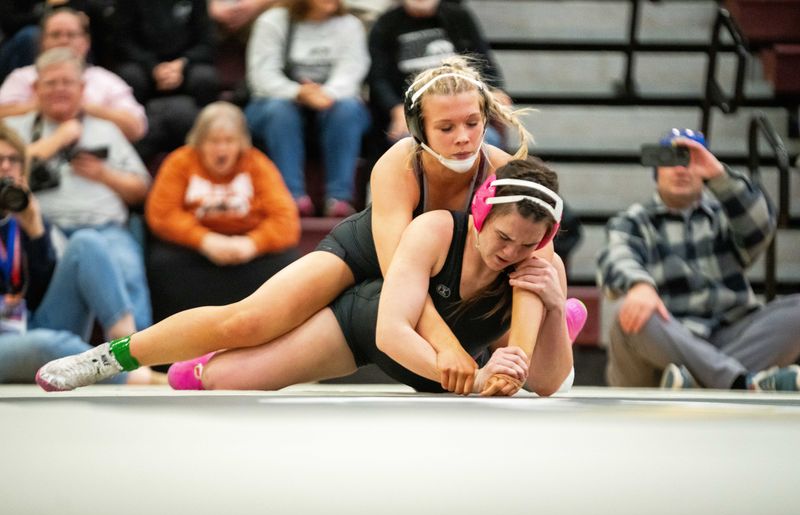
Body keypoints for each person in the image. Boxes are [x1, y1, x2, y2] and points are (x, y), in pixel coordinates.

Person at [34, 56, 575, 394]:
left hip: (440, 268)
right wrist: (449, 352)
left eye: (474, 123)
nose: (463, 138)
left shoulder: (502, 174)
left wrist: (526, 344)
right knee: (247, 321)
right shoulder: (398, 164)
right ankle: (107, 356)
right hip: (372, 253)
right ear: (418, 127)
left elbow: (534, 256)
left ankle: (549, 332)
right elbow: (394, 271)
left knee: (517, 272)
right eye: (447, 126)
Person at [38, 157, 576, 395]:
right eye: (502, 238)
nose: (511, 252)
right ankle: (110, 356)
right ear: (479, 214)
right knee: (247, 321)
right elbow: (394, 327)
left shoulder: (532, 247)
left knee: (224, 379)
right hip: (375, 277)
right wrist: (468, 373)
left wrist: (551, 308)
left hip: (421, 306)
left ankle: (198, 369)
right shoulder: (417, 192)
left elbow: (544, 382)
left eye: (528, 245)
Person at [597, 128, 800, 392]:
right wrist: (640, 285)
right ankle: (739, 382)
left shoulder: (725, 216)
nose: (681, 169)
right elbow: (616, 256)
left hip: (731, 334)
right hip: (665, 343)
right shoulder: (633, 220)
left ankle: (695, 381)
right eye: (671, 159)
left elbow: (762, 226)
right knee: (633, 316)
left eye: (691, 159)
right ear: (657, 170)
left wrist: (720, 175)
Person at [3, 47, 153, 330]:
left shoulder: (106, 129)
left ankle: (140, 359)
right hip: (42, 231)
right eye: (51, 83)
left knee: (127, 268)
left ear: (82, 88)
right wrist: (57, 140)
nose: (60, 89)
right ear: (35, 88)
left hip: (105, 227)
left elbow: (141, 189)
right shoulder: (15, 129)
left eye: (67, 82)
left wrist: (105, 175)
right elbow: (5, 170)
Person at [0, 121, 159, 385]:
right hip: (12, 342)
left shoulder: (27, 218)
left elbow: (41, 293)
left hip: (30, 325)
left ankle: (131, 351)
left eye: (13, 159)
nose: (6, 166)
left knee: (87, 242)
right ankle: (133, 377)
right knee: (47, 345)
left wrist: (37, 232)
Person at [145, 101, 301, 319]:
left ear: (241, 143)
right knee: (162, 262)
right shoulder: (179, 162)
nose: (221, 149)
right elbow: (162, 215)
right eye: (213, 141)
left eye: (229, 141)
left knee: (288, 261)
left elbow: (285, 221)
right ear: (199, 142)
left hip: (246, 249)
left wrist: (252, 243)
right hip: (197, 249)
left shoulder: (257, 164)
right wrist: (204, 240)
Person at [245, 0, 371, 216]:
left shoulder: (350, 25)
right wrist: (299, 93)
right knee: (280, 111)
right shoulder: (273, 21)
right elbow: (262, 76)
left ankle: (339, 199)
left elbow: (352, 73)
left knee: (348, 109)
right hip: (275, 104)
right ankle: (292, 197)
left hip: (330, 104)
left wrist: (325, 94)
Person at [367, 0, 510, 150]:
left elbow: (483, 61)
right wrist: (395, 108)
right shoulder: (386, 23)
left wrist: (495, 89)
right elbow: (378, 78)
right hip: (412, 113)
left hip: (460, 106)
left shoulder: (459, 17)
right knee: (408, 143)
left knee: (490, 139)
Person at [0, 7, 148, 142]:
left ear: (86, 42)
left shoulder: (105, 79)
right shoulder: (21, 77)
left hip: (95, 160)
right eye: (56, 35)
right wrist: (42, 106)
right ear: (42, 42)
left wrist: (86, 107)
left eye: (71, 35)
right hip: (28, 156)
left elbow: (137, 129)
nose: (64, 41)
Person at [113, 0, 221, 162]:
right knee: (130, 76)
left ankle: (208, 141)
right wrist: (153, 67)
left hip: (185, 66)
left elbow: (207, 41)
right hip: (145, 67)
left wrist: (182, 64)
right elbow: (123, 41)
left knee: (205, 78)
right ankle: (133, 149)